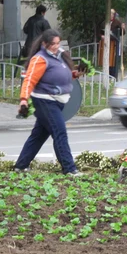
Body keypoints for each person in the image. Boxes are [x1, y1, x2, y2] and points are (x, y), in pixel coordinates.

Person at [15, 29, 82, 175]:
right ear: (44, 44)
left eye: (58, 43)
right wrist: (23, 100)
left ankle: (20, 166)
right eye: (53, 44)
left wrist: (76, 74)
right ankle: (69, 169)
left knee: (39, 135)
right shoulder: (40, 59)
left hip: (57, 101)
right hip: (44, 100)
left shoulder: (59, 56)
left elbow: (61, 76)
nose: (56, 46)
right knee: (60, 132)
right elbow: (29, 79)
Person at [97, 8, 126, 78]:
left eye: (112, 14)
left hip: (114, 44)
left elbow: (122, 33)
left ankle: (113, 76)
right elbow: (99, 33)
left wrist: (123, 28)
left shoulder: (117, 22)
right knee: (106, 60)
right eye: (110, 14)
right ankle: (107, 75)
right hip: (106, 44)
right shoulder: (104, 23)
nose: (111, 15)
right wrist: (102, 36)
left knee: (114, 61)